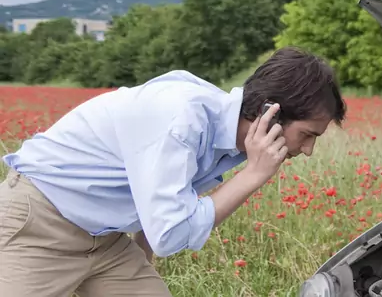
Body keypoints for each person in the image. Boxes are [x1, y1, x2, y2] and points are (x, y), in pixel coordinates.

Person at [0, 47, 346, 296]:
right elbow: (171, 234)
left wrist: (142, 258)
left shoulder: (229, 137)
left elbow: (163, 198)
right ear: (269, 114)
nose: (307, 150)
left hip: (105, 242)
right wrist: (253, 175)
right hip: (39, 224)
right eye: (307, 135)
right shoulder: (183, 118)